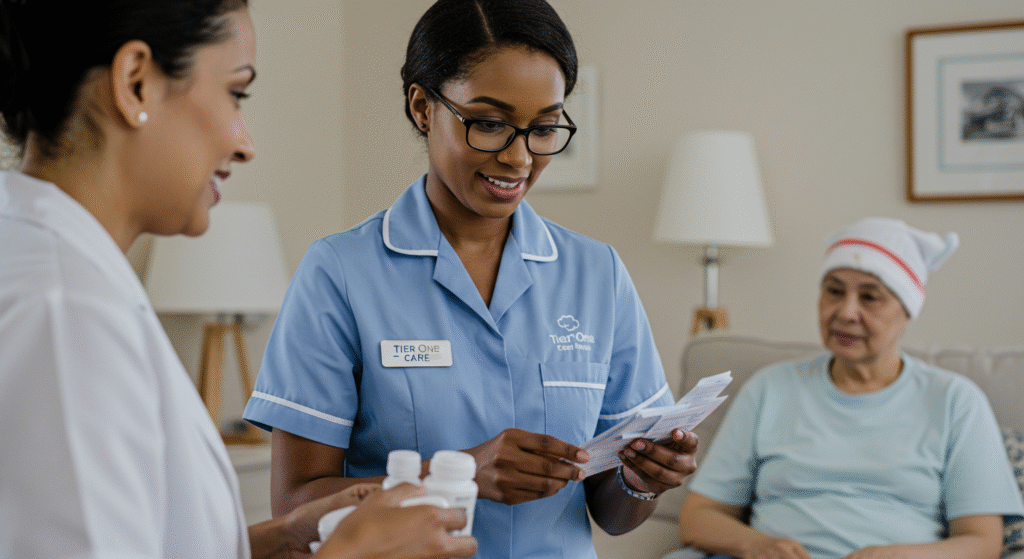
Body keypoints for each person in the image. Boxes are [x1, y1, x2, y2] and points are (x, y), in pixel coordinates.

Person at [0, 1, 476, 558]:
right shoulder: (67, 314)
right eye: (236, 93)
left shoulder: (63, 277)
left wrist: (278, 539)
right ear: (135, 83)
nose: (245, 143)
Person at [241, 0, 699, 557]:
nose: (519, 158)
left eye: (543, 129)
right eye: (489, 123)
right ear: (422, 108)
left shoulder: (596, 274)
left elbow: (613, 514)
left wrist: (643, 478)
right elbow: (294, 507)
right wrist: (458, 475)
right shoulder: (339, 272)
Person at [673, 217, 1024, 559]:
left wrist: (895, 556)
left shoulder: (954, 400)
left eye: (870, 297)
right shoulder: (769, 388)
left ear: (906, 312)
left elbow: (982, 541)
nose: (846, 312)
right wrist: (757, 546)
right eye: (834, 291)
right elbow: (699, 516)